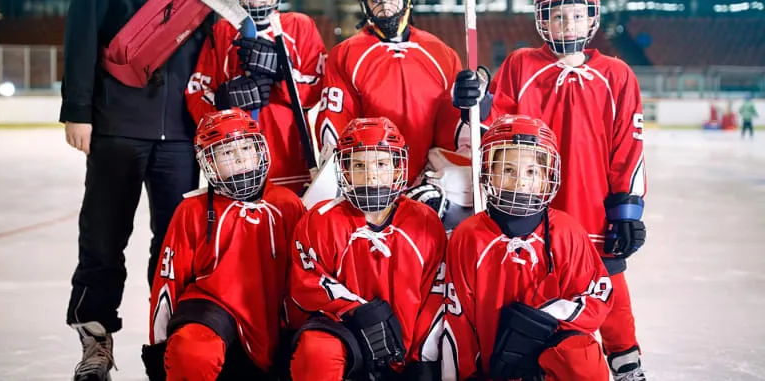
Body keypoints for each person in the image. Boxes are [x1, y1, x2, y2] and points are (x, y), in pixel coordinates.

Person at [59, 0, 214, 380]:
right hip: (118, 126)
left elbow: (211, 57)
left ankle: (167, 340)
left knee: (175, 247)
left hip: (181, 135)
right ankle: (96, 344)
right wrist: (78, 112)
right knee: (103, 239)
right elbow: (81, 38)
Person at [453, 0, 647, 380]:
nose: (568, 24)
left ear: (593, 18)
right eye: (558, 16)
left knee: (609, 286)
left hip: (592, 205)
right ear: (542, 20)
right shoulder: (522, 64)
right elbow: (497, 125)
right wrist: (475, 103)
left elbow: (627, 149)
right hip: (531, 202)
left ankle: (626, 361)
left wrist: (627, 211)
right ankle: (534, 359)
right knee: (538, 284)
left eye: (576, 15)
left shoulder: (617, 75)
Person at [440, 114, 613, 381]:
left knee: (583, 358)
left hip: (548, 360)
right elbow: (457, 319)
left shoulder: (566, 231)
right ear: (489, 171)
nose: (520, 181)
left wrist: (531, 327)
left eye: (532, 171)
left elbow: (597, 296)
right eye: (508, 170)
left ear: (547, 177)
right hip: (493, 368)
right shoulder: (468, 236)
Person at [141, 108, 305, 381]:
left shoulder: (288, 204)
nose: (240, 159)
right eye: (227, 153)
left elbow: (303, 276)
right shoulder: (191, 210)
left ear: (260, 150)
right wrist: (160, 351)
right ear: (209, 162)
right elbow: (167, 284)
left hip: (273, 320)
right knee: (191, 352)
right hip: (211, 311)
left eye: (246, 148)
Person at [289, 117, 447, 381]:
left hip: (405, 344)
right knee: (316, 351)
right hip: (345, 330)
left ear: (398, 168)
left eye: (381, 164)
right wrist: (362, 313)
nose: (371, 175)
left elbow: (435, 291)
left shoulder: (425, 222)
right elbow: (309, 283)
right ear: (345, 171)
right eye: (359, 165)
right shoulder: (320, 220)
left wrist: (421, 356)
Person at [314, 0, 465, 190]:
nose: (384, 6)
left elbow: (452, 127)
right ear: (364, 3)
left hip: (429, 183)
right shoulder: (345, 54)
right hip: (371, 182)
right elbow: (335, 126)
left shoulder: (441, 53)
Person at [186, 0, 327, 194]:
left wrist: (281, 74)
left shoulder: (299, 26)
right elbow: (198, 90)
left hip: (289, 149)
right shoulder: (221, 32)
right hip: (235, 152)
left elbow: (318, 88)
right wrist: (223, 101)